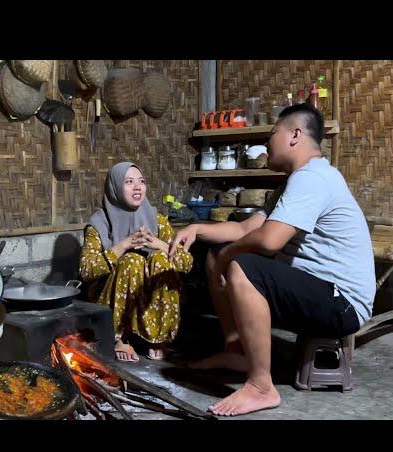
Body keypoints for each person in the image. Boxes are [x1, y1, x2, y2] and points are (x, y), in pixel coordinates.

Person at [170, 103, 375, 416]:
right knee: (213, 254)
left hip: (343, 303)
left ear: (294, 135)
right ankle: (236, 350)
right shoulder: (292, 184)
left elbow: (268, 240)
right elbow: (244, 228)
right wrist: (197, 229)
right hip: (321, 290)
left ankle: (260, 387)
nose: (267, 143)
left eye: (272, 134)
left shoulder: (313, 177)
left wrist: (228, 256)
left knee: (242, 265)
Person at [79, 162, 193, 362]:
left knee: (161, 259)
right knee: (131, 261)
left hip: (148, 298)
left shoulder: (157, 220)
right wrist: (123, 245)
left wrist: (160, 244)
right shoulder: (99, 223)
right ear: (114, 188)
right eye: (129, 182)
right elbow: (86, 270)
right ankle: (119, 337)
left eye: (141, 181)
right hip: (110, 298)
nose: (137, 187)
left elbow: (187, 263)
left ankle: (157, 337)